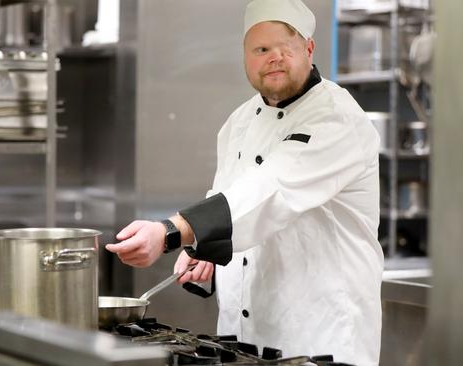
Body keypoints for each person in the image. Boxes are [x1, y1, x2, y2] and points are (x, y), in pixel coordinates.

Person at [105, 0, 383, 364]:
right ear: (246, 56)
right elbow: (230, 203)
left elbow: (270, 192)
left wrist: (173, 232)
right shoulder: (239, 123)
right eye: (262, 49)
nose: (274, 58)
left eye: (287, 47)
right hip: (244, 338)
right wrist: (203, 251)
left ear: (309, 49)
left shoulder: (336, 118)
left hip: (319, 333)